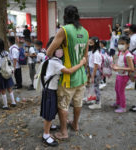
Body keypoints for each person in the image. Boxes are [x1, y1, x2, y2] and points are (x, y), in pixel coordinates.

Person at [46, 5, 89, 140]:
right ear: (77, 16)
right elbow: (85, 57)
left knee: (63, 104)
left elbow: (48, 52)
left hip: (67, 77)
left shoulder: (64, 30)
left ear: (65, 17)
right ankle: (75, 124)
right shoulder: (86, 32)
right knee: (78, 102)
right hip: (81, 75)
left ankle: (64, 132)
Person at [40, 37, 86, 147]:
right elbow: (69, 71)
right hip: (50, 91)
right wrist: (81, 63)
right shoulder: (55, 62)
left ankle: (49, 126)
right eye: (58, 48)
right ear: (52, 49)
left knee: (50, 111)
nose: (60, 50)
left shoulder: (50, 59)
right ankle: (46, 135)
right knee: (49, 114)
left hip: (49, 90)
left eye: (61, 48)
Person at [112, 36, 134, 113]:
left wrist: (119, 68)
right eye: (119, 43)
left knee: (121, 91)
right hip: (119, 74)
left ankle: (123, 107)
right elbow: (120, 63)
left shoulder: (128, 55)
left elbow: (131, 68)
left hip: (124, 76)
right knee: (116, 89)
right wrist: (115, 66)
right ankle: (118, 102)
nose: (120, 45)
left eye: (122, 43)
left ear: (128, 45)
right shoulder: (121, 52)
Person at [0, 38, 16, 110]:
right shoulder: (6, 52)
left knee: (3, 89)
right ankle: (13, 102)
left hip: (0, 73)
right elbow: (10, 62)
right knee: (9, 88)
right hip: (7, 72)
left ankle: (5, 105)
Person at [88, 37, 102, 109]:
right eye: (89, 42)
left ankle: (98, 103)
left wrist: (92, 76)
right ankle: (95, 99)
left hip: (95, 71)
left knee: (96, 87)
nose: (89, 44)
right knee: (94, 86)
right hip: (92, 70)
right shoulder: (92, 52)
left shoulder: (96, 53)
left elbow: (96, 66)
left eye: (91, 43)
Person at [125, 24, 136, 90]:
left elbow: (129, 48)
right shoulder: (132, 36)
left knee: (131, 69)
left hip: (133, 55)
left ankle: (132, 83)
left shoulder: (132, 38)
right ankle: (131, 81)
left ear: (131, 30)